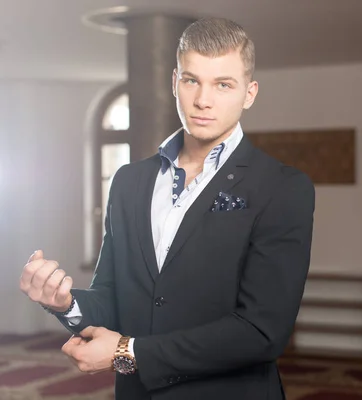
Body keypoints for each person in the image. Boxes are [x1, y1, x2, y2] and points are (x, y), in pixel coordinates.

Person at [19, 16, 314, 400]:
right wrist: (65, 301)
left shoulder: (283, 188)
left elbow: (262, 332)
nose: (203, 100)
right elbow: (113, 296)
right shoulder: (129, 182)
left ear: (249, 93)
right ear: (175, 82)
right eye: (192, 80)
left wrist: (128, 351)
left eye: (223, 84)